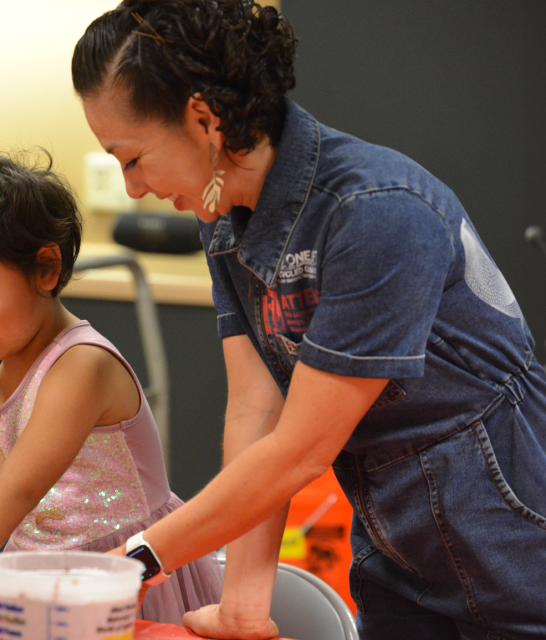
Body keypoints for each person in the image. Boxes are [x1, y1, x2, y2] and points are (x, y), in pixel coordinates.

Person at [72, 1, 546, 639]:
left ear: (204, 120)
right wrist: (242, 604)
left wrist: (137, 560)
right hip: (396, 534)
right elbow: (256, 412)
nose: (132, 188)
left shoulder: (377, 212)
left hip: (508, 525)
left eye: (131, 158)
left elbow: (300, 450)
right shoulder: (223, 217)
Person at [0, 149, 223, 625]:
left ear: (46, 269)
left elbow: (16, 490)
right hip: (36, 581)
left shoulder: (82, 368)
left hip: (121, 582)